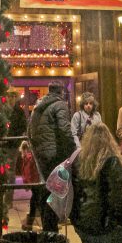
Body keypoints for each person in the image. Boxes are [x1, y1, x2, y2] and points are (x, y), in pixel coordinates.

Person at [27, 82, 75, 233]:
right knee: (55, 192)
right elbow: (65, 129)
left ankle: (48, 228)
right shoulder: (60, 105)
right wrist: (73, 149)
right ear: (61, 92)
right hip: (55, 154)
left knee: (46, 191)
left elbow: (29, 131)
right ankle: (52, 231)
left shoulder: (37, 107)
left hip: (41, 154)